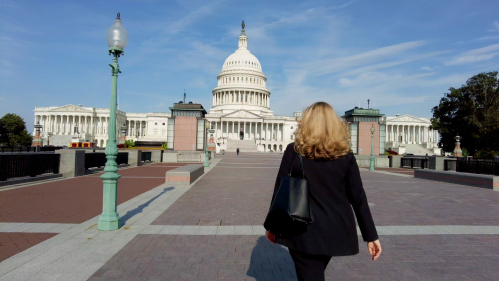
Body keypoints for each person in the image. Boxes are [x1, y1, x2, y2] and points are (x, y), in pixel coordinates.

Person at [266, 102, 382, 281]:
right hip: (334, 230)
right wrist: (370, 235)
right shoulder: (346, 156)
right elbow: (358, 198)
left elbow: (280, 189)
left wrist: (273, 226)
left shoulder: (294, 151)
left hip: (299, 228)